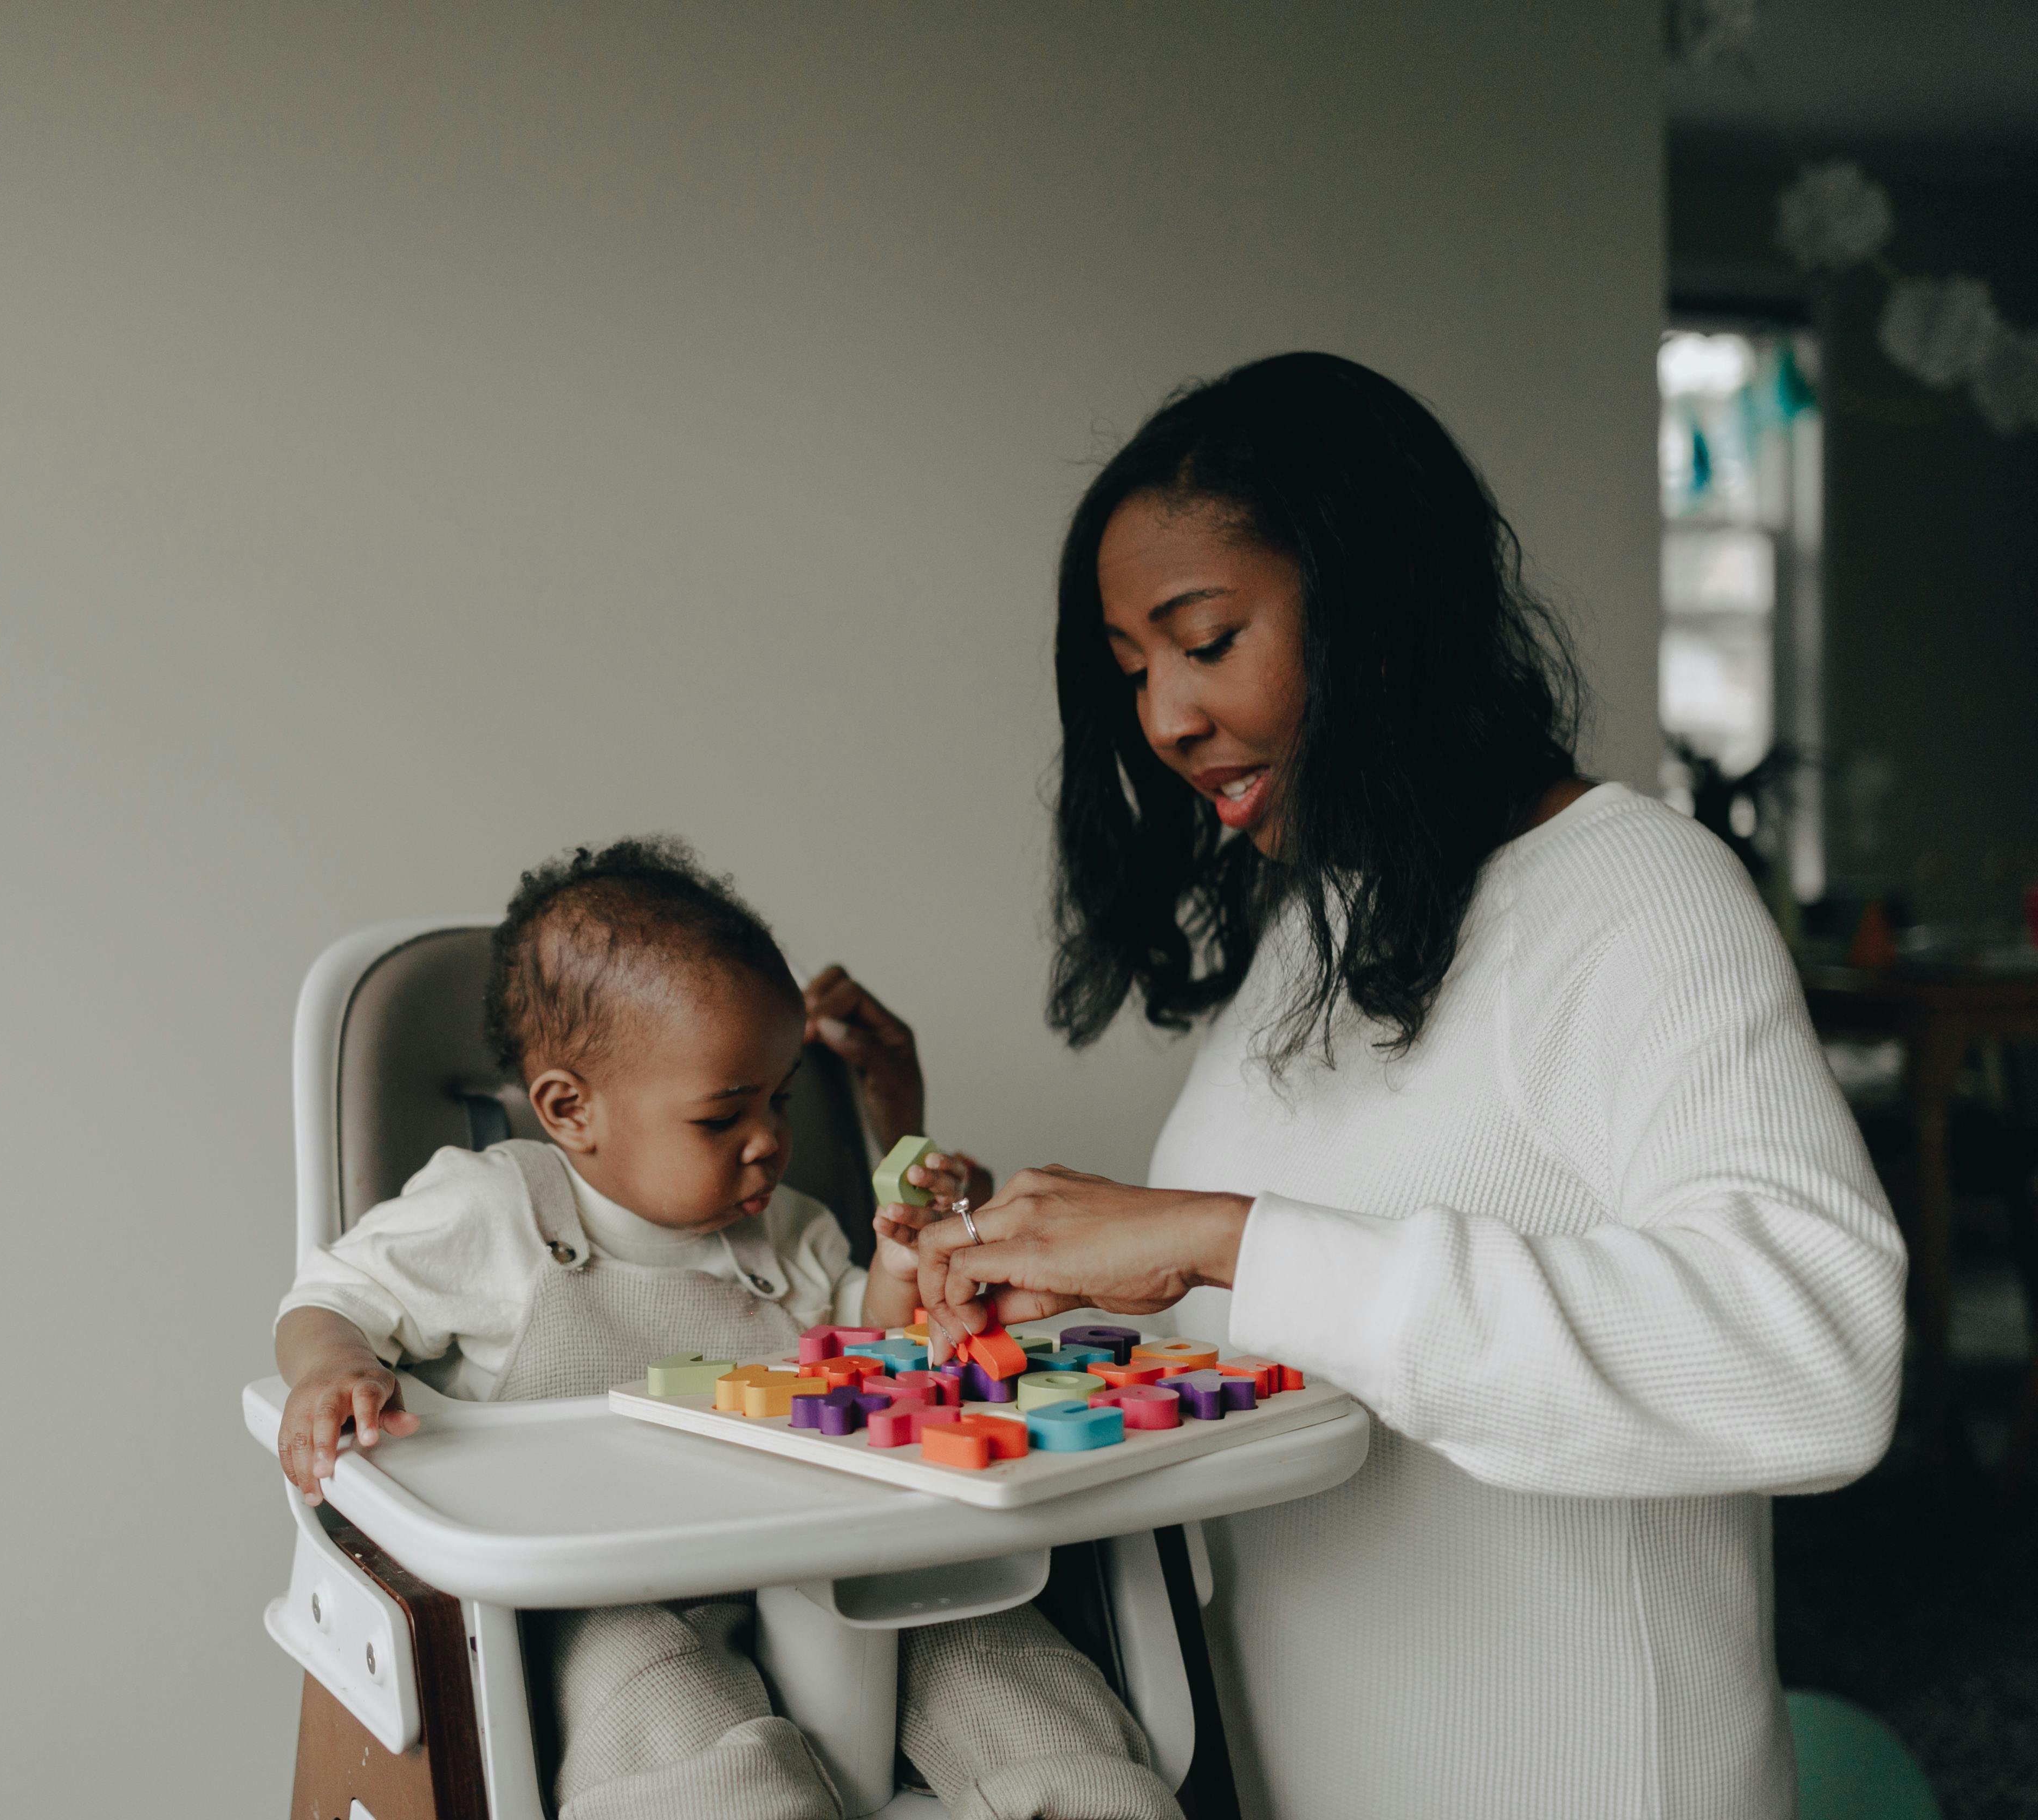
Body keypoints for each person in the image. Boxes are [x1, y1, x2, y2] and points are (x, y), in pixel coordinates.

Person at [897, 353, 1906, 1819]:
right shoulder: (1315, 923)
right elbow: (1302, 1333)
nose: (1167, 720)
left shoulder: (1635, 895)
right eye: (1134, 673)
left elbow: (1818, 1353)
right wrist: (1063, 1295)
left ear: (1376, 607)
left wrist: (1223, 1236)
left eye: (1207, 638)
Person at [272, 837, 1180, 1820]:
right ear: (572, 1111)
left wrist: (903, 1279)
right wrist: (334, 1369)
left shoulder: (786, 1229)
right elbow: (331, 1297)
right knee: (671, 1728)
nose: (771, 1141)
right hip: (603, 1598)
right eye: (723, 1118)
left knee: (1002, 1667)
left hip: (827, 1566)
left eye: (782, 1098)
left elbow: (864, 1349)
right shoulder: (495, 1214)